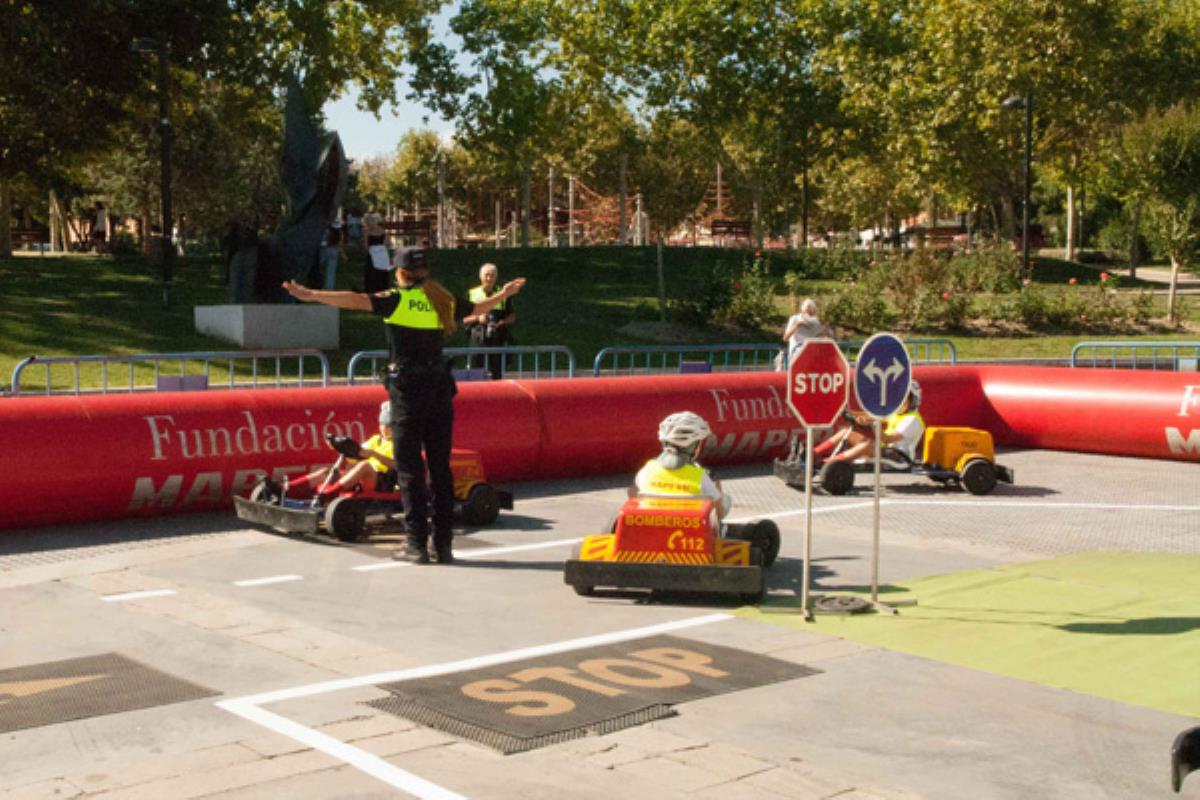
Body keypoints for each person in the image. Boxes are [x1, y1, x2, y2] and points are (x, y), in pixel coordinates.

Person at [283, 247, 526, 565]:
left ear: (399, 273)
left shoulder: (396, 299)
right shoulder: (442, 300)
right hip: (440, 390)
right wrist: (504, 294)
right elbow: (477, 306)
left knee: (410, 470)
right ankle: (443, 545)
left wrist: (312, 294)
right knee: (441, 470)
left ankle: (416, 544)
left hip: (409, 393)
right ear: (425, 271)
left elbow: (355, 300)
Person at [280, 401, 397, 498]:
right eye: (382, 424)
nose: (384, 428)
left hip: (385, 481)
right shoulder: (375, 440)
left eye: (388, 426)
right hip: (365, 478)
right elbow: (356, 456)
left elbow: (398, 465)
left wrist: (373, 454)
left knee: (364, 466)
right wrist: (342, 449)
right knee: (326, 472)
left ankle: (329, 494)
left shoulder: (399, 444)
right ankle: (285, 489)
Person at [633, 411, 730, 520]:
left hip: (650, 530)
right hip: (691, 535)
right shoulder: (700, 476)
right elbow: (719, 513)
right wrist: (717, 486)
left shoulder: (647, 470)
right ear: (694, 447)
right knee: (726, 500)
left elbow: (633, 497)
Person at [813, 380, 925, 465]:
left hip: (900, 458)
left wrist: (873, 424)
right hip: (886, 450)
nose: (899, 403)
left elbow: (887, 439)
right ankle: (814, 453)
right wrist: (848, 412)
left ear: (913, 400)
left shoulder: (912, 420)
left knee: (869, 444)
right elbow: (872, 415)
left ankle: (829, 463)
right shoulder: (896, 413)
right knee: (848, 430)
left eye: (903, 400)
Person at [464, 262, 516, 380]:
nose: (489, 278)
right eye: (486, 275)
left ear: (496, 277)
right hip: (477, 336)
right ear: (480, 276)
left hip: (497, 336)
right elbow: (463, 319)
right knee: (475, 372)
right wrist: (478, 318)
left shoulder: (503, 293)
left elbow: (512, 315)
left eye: (492, 275)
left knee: (497, 373)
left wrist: (502, 323)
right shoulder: (471, 293)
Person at [779, 298, 830, 370]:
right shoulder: (795, 318)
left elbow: (816, 337)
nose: (810, 315)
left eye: (811, 313)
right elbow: (785, 338)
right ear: (803, 310)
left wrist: (824, 334)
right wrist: (797, 326)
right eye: (808, 312)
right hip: (797, 349)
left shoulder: (815, 321)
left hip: (810, 349)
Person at [362, 211, 390, 294]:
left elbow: (365, 246)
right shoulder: (383, 231)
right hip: (382, 255)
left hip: (372, 255)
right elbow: (387, 243)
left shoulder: (367, 232)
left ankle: (371, 290)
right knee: (382, 273)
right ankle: (383, 288)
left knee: (371, 273)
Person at [320, 218, 344, 291]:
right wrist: (342, 252)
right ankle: (329, 288)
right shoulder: (340, 233)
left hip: (323, 250)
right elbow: (340, 243)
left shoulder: (326, 231)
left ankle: (316, 284)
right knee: (331, 272)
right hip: (334, 250)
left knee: (318, 268)